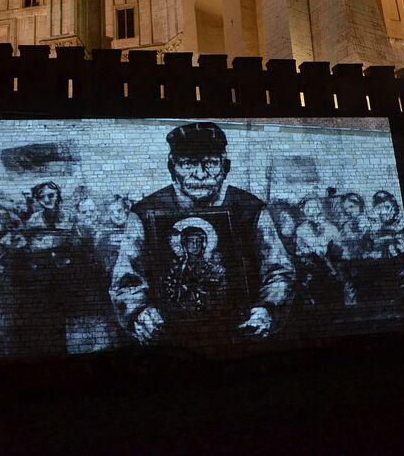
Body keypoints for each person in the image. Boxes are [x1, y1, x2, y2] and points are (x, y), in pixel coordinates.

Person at [109, 122, 295, 348]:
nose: (199, 174)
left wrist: (267, 309)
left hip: (239, 336)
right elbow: (126, 279)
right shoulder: (144, 213)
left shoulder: (250, 209)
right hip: (169, 340)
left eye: (211, 163)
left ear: (225, 167)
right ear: (172, 168)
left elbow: (279, 270)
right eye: (187, 163)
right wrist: (139, 312)